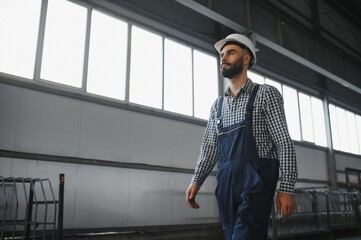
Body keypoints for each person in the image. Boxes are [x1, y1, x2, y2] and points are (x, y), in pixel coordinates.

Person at [185, 33, 298, 240]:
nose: (223, 58)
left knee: (246, 235)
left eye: (230, 53)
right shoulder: (217, 106)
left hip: (257, 177)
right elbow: (209, 148)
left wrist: (287, 187)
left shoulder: (266, 94)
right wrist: (196, 179)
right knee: (231, 234)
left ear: (246, 59)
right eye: (221, 55)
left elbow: (283, 141)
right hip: (227, 179)